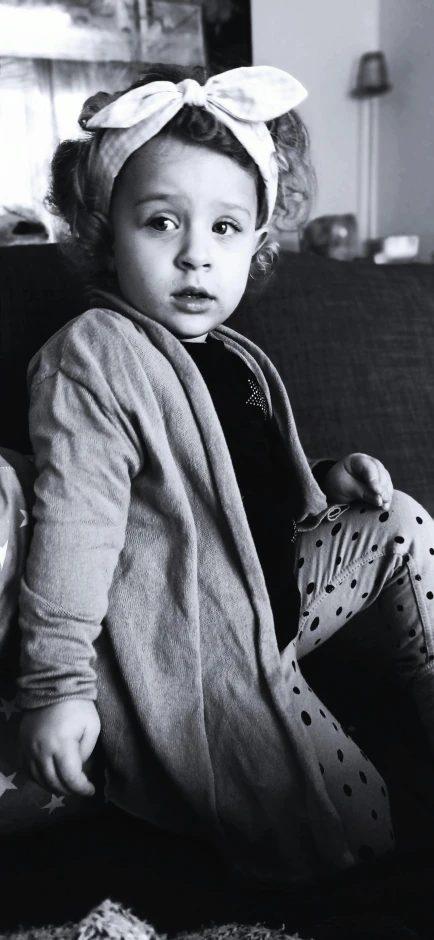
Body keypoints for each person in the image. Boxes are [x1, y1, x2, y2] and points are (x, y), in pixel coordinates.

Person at [16, 62, 434, 887]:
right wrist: (56, 684)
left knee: (401, 521)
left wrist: (323, 478)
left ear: (257, 241)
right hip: (199, 647)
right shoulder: (95, 356)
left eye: (225, 229)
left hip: (275, 592)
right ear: (107, 231)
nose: (196, 258)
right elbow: (74, 524)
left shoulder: (232, 353)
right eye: (162, 223)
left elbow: (234, 480)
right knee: (357, 837)